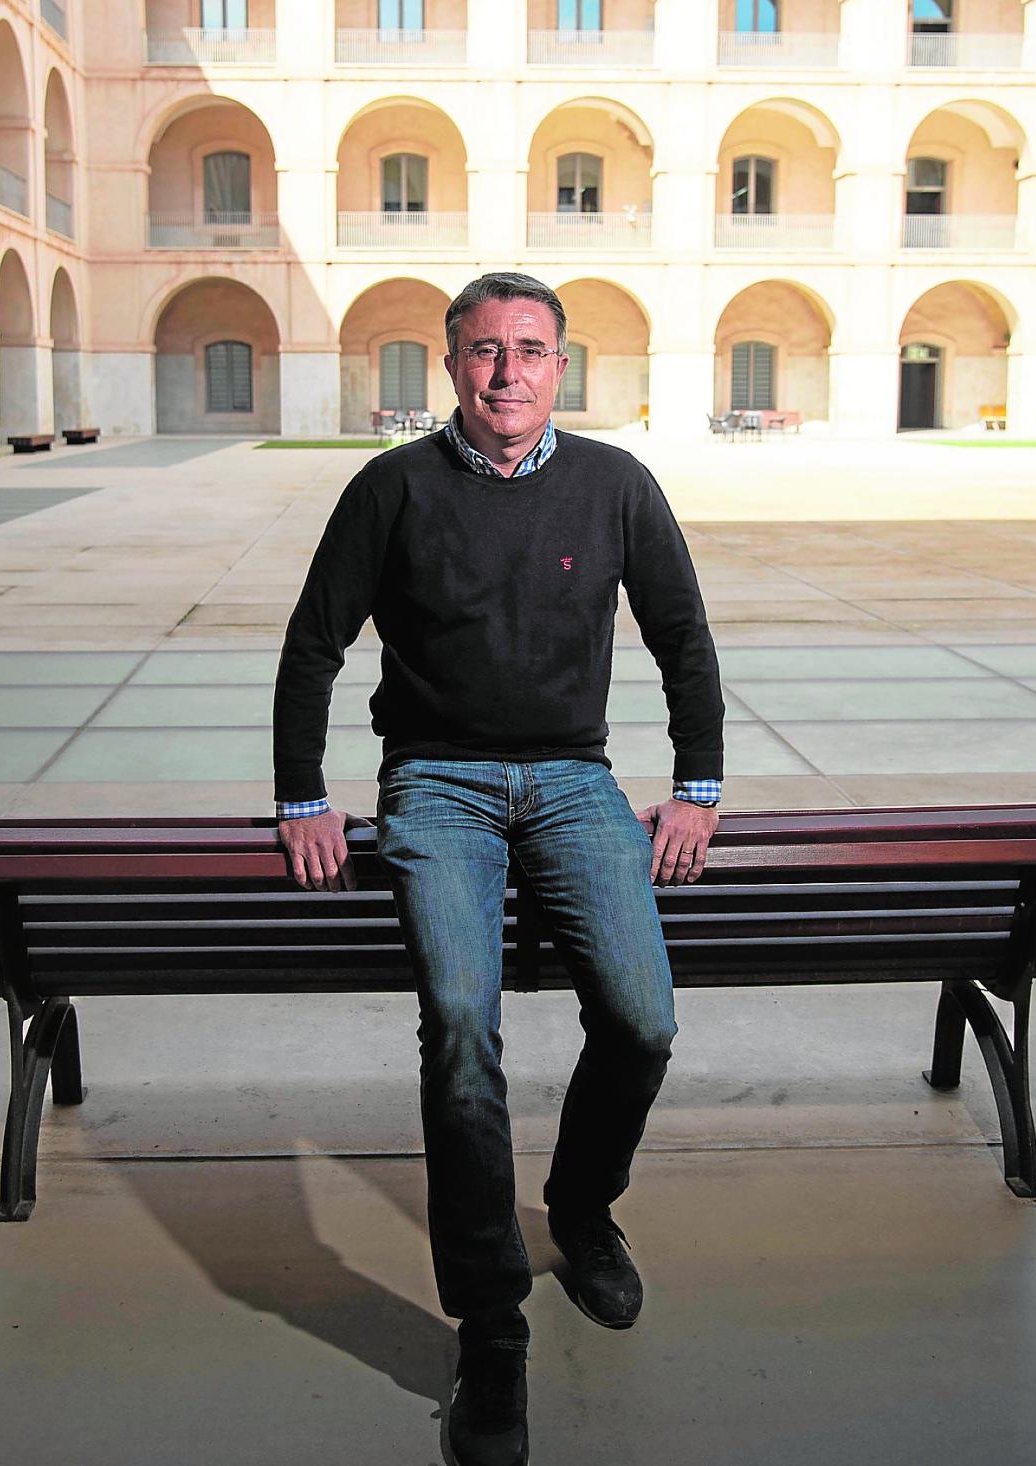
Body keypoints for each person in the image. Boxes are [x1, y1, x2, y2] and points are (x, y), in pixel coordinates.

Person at [273, 272, 724, 1466]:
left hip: (576, 783)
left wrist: (696, 786)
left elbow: (682, 637)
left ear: (560, 366)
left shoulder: (616, 484)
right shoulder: (393, 488)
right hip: (439, 786)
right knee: (462, 1030)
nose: (507, 371)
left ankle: (579, 1208)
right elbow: (314, 643)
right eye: (484, 351)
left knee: (642, 1019)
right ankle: (492, 1329)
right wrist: (304, 795)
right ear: (451, 365)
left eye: (529, 350)